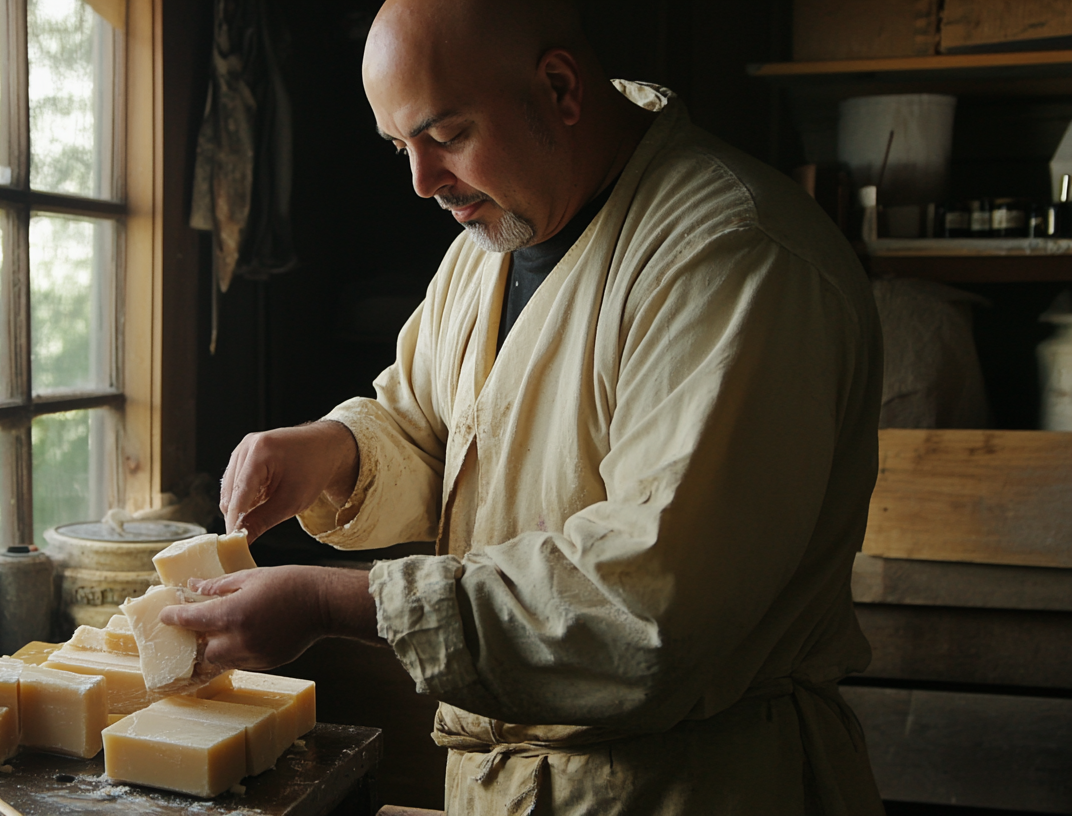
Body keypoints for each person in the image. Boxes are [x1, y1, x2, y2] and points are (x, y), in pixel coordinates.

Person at [162, 0, 886, 812]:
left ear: (560, 89)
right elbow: (438, 436)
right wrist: (336, 449)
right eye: (400, 146)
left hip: (687, 787)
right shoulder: (490, 245)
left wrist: (328, 601)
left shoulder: (730, 259)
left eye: (445, 136)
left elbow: (645, 607)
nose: (421, 182)